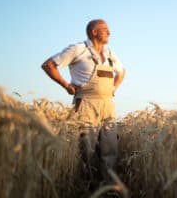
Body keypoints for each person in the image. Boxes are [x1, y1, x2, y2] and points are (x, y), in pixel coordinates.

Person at [41, 19, 125, 186]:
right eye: (105, 30)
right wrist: (66, 85)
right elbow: (48, 65)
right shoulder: (77, 49)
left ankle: (108, 188)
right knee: (87, 148)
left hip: (108, 105)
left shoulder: (110, 54)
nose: (109, 33)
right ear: (94, 32)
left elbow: (122, 72)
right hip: (85, 103)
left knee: (110, 148)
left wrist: (113, 89)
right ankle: (89, 187)